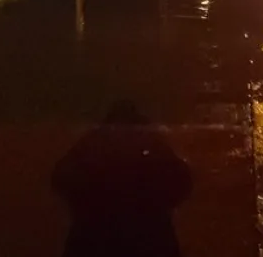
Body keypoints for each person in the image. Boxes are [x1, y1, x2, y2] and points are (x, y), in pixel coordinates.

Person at [52, 100, 193, 257]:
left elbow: (61, 177)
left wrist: (85, 204)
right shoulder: (152, 143)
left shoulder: (91, 143)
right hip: (148, 235)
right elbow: (182, 180)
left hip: (95, 234)